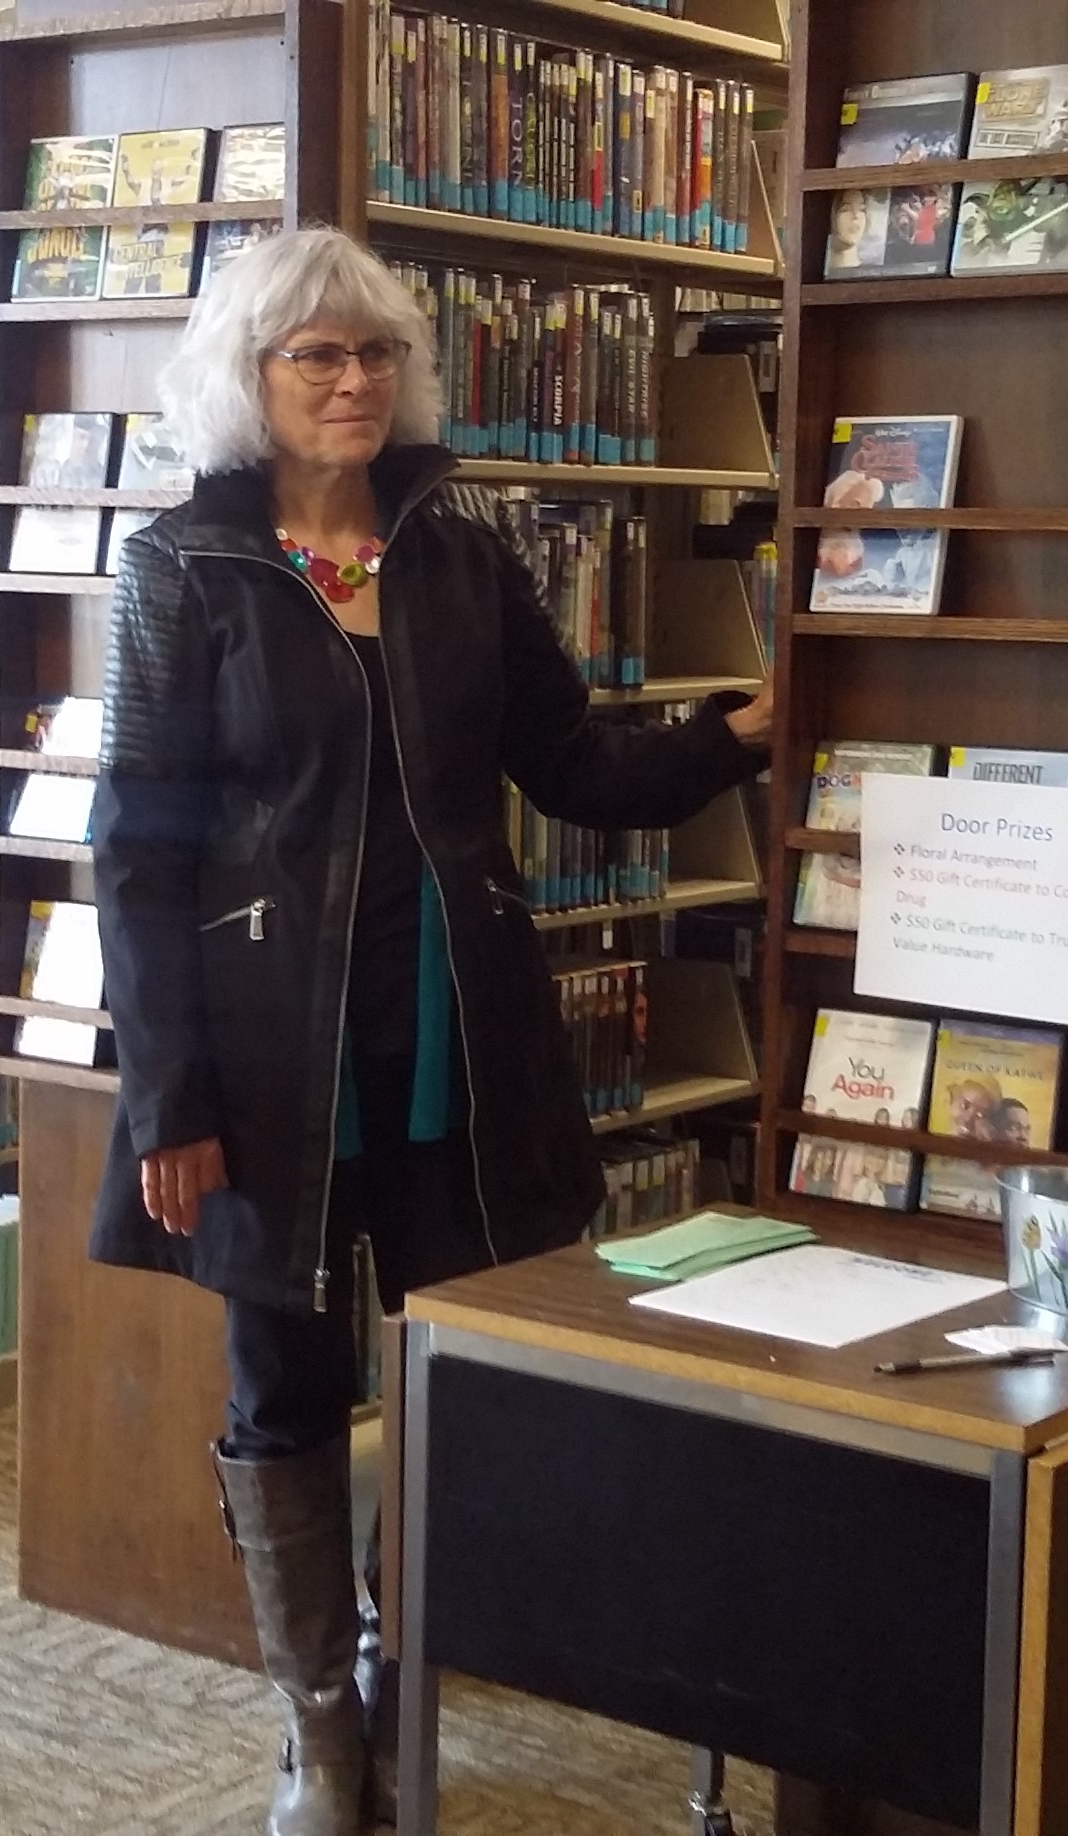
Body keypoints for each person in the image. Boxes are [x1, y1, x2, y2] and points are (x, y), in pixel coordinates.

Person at [89, 228, 770, 1836]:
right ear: (249, 378)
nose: (355, 380)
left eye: (376, 352)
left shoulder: (461, 554)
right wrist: (168, 1099)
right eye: (317, 355)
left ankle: (404, 1677)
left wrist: (736, 735)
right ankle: (319, 1733)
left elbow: (572, 763)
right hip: (269, 1058)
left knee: (465, 1371)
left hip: (458, 1036)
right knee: (284, 1379)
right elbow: (138, 848)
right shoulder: (182, 569)